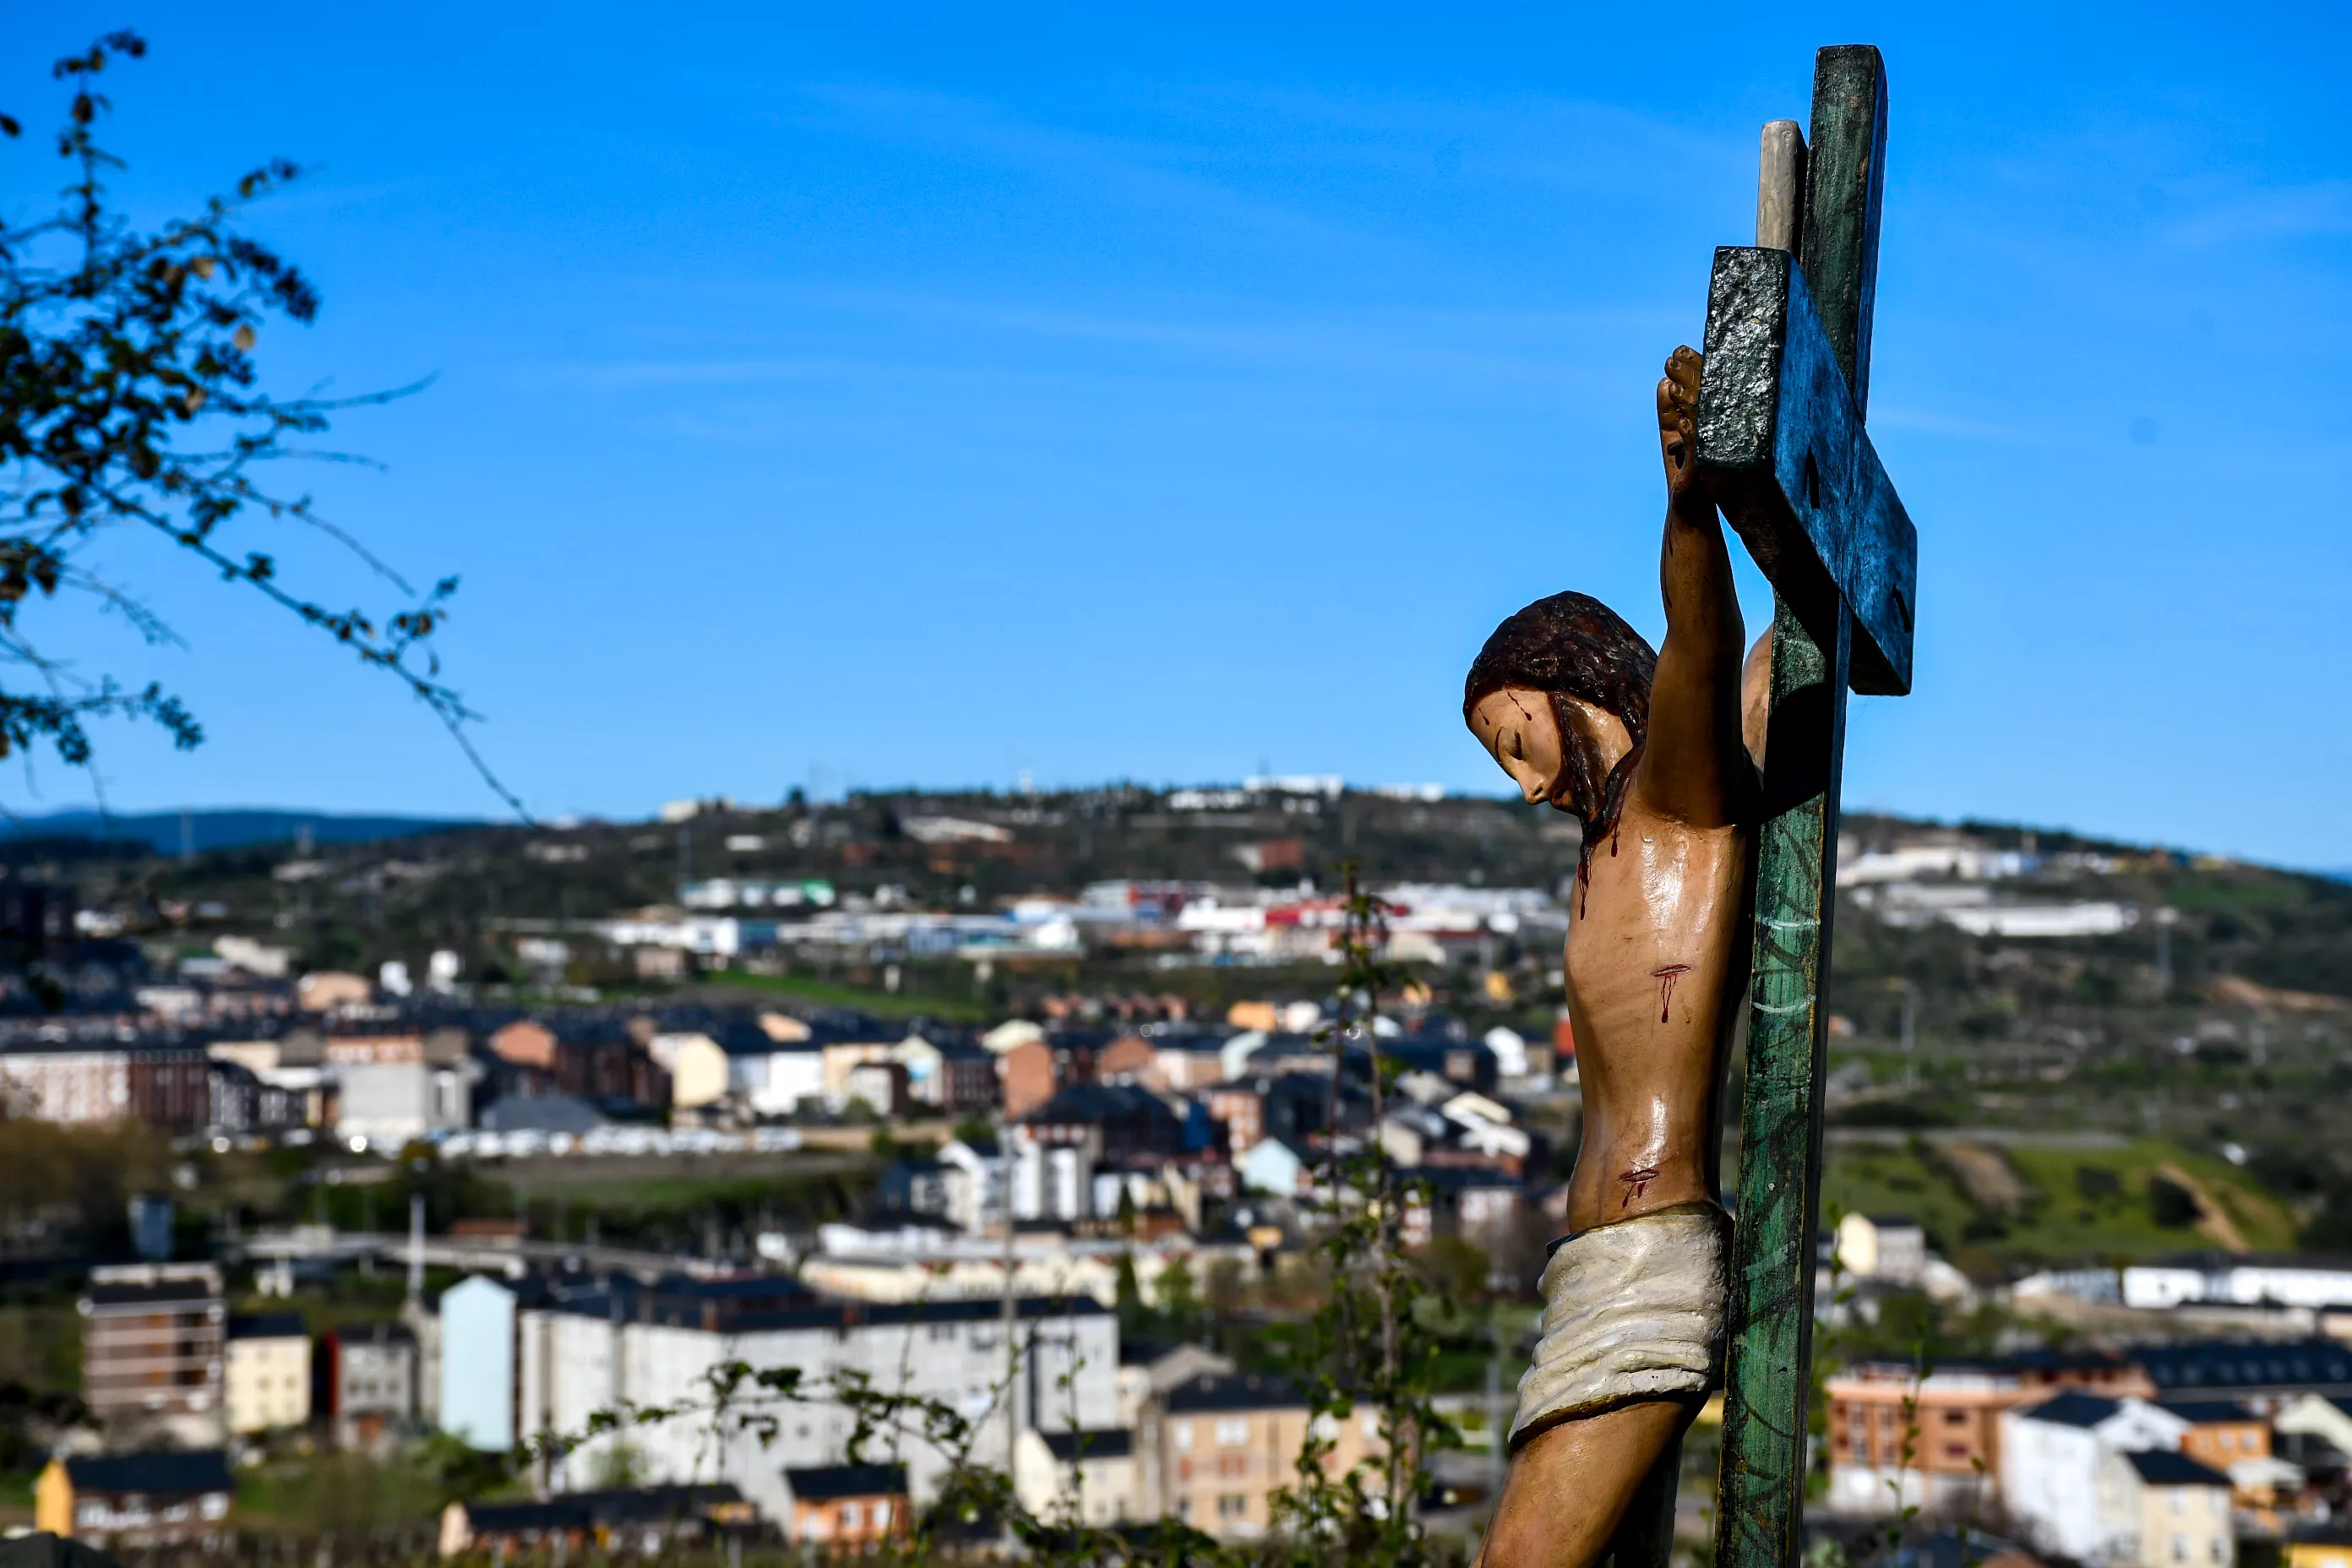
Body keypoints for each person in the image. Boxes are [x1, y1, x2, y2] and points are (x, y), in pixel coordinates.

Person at [1464, 346, 1767, 1568]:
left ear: (1572, 679)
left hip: (1646, 1266)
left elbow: (1705, 638)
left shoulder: (1681, 808)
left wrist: (1689, 501)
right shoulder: (1603, 852)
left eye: (1516, 737)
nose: (1522, 781)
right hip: (1589, 1267)